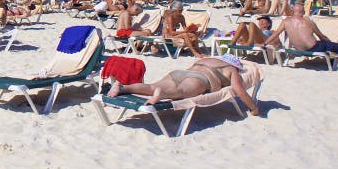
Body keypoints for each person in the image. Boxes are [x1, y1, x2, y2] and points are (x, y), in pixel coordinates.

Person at [107, 54, 260, 115]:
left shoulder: (207, 59)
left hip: (179, 73)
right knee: (180, 91)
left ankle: (123, 87)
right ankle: (162, 94)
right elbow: (239, 91)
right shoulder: (231, 69)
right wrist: (253, 108)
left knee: (152, 86)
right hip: (201, 78)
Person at [259, 1, 338, 66]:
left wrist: (264, 44)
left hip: (299, 49)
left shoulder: (286, 22)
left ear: (293, 11)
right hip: (314, 47)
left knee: (329, 46)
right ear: (303, 11)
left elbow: (275, 34)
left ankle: (337, 60)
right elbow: (321, 37)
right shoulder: (308, 21)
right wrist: (330, 42)